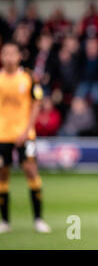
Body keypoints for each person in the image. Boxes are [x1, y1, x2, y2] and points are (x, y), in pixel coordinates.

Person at [0, 42, 51, 234]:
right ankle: (5, 221)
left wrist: (26, 130)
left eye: (13, 53)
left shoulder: (29, 77)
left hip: (25, 134)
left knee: (30, 170)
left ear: (19, 56)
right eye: (5, 53)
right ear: (2, 56)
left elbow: (36, 105)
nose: (9, 57)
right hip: (2, 135)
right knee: (2, 174)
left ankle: (38, 219)